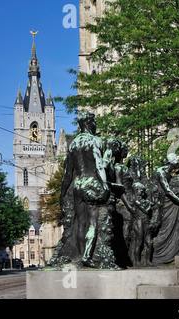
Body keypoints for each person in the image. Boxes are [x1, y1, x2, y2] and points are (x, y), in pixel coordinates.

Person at [48, 111, 114, 268]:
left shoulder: (73, 144)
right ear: (89, 123)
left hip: (78, 185)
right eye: (94, 122)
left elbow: (67, 173)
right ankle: (87, 257)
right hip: (92, 184)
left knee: (80, 223)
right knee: (93, 222)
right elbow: (98, 164)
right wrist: (105, 184)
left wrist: (62, 193)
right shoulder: (95, 141)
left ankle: (79, 256)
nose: (96, 124)